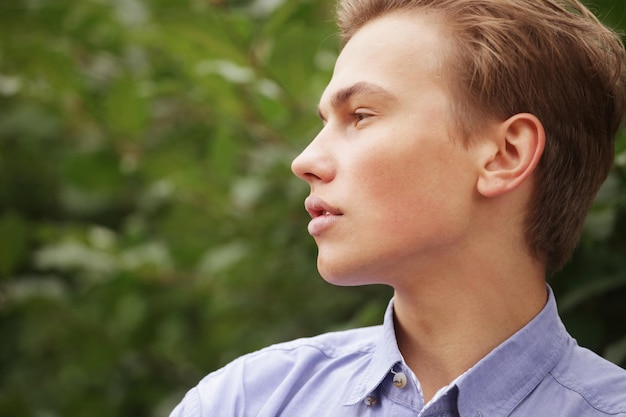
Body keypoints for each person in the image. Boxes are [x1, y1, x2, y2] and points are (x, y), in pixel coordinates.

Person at [170, 0, 626, 415]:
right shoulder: (245, 400)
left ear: (505, 155)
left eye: (360, 116)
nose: (305, 161)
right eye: (325, 122)